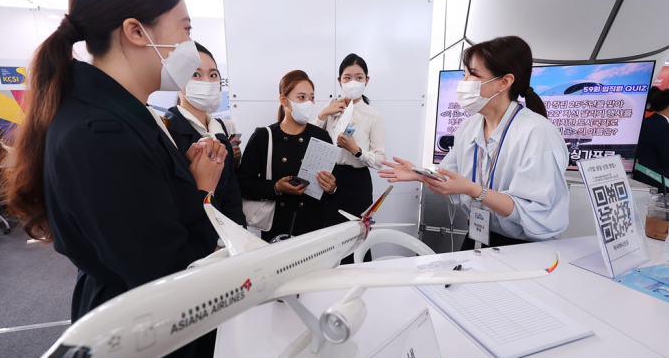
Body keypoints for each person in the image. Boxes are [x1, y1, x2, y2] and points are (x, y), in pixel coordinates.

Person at [0, 0, 226, 358]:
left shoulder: (118, 115)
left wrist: (183, 182)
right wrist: (201, 191)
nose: (191, 43)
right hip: (148, 355)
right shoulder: (98, 133)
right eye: (185, 29)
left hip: (151, 339)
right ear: (135, 31)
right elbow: (168, 273)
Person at [379, 36, 569, 250]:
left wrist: (473, 190)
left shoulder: (537, 133)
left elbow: (531, 209)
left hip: (525, 247)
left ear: (504, 82)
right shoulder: (469, 127)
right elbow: (451, 175)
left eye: (473, 75)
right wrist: (419, 173)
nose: (464, 83)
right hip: (478, 235)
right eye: (464, 74)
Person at [237, 70, 337, 242]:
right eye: (301, 97)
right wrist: (276, 187)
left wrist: (332, 187)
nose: (308, 103)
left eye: (311, 97)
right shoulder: (264, 136)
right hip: (278, 227)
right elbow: (243, 184)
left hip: (315, 227)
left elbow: (334, 188)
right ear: (284, 100)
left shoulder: (322, 136)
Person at [313, 54, 386, 263]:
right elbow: (311, 139)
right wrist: (323, 114)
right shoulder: (331, 110)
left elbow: (380, 159)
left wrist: (357, 150)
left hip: (357, 183)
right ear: (339, 81)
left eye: (359, 77)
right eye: (347, 78)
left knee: (356, 239)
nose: (353, 82)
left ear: (367, 80)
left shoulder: (374, 115)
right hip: (327, 178)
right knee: (327, 237)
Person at [164, 42, 245, 226]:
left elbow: (232, 196)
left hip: (229, 240)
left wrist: (240, 235)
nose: (207, 82)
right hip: (195, 240)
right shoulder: (168, 131)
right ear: (177, 80)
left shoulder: (221, 132)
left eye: (213, 74)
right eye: (196, 74)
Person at [633, 89, 669, 189]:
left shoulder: (647, 122)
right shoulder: (662, 127)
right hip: (658, 182)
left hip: (643, 178)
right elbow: (666, 159)